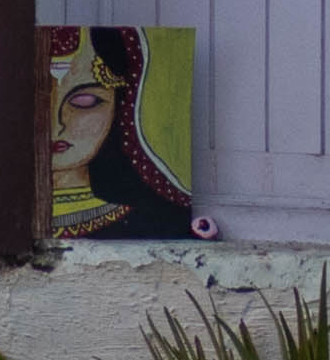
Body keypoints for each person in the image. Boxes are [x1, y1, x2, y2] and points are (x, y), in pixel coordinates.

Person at [39, 24, 209, 242]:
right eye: (37, 101)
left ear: (122, 106)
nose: (56, 123)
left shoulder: (152, 224)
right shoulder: (0, 221)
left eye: (84, 102)